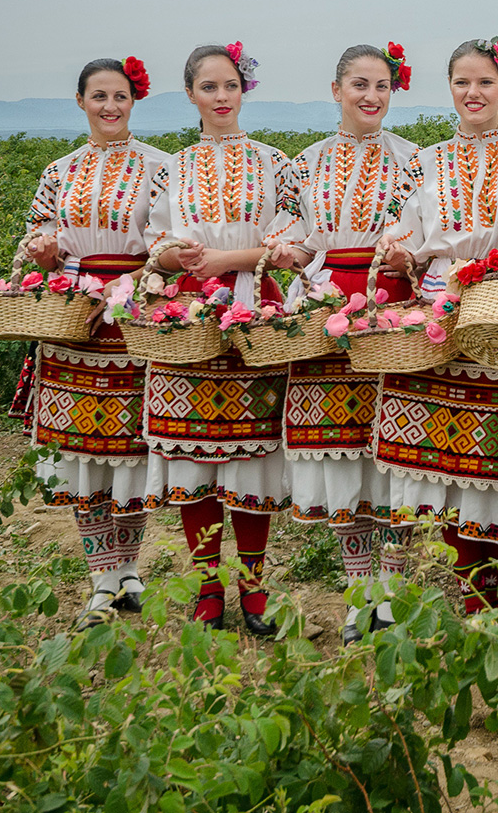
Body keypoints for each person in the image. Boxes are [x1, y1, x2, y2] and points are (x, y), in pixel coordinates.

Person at [375, 37, 498, 614]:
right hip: (433, 312)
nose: (474, 93)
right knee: (435, 454)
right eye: (463, 82)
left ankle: (483, 600)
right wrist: (404, 257)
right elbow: (407, 236)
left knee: (485, 459)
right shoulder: (422, 161)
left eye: (486, 82)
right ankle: (410, 594)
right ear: (449, 89)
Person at [141, 42, 299, 634]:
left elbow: (289, 239)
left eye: (231, 85)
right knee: (192, 452)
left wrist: (224, 259)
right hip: (183, 318)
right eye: (210, 88)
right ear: (191, 96)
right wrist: (172, 254)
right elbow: (152, 245)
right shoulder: (172, 168)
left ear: (244, 90)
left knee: (250, 455)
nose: (222, 97)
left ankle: (254, 590)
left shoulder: (273, 162)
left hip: (254, 308)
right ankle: (208, 585)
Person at [276, 43, 419, 644]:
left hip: (394, 306)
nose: (371, 96)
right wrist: (285, 253)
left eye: (382, 86)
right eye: (359, 85)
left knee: (392, 451)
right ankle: (360, 588)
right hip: (325, 306)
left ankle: (390, 588)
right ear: (336, 90)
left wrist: (409, 253)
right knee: (341, 450)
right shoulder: (303, 165)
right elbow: (295, 241)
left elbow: (426, 235)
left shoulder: (418, 161)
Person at [21, 56, 168, 630]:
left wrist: (143, 275)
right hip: (74, 322)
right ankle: (100, 577)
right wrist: (43, 252)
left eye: (121, 97)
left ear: (135, 102)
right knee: (82, 453)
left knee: (130, 450)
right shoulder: (59, 171)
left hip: (130, 319)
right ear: (80, 101)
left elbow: (168, 239)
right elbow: (38, 232)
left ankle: (128, 568)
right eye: (99, 96)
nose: (111, 107)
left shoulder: (161, 168)